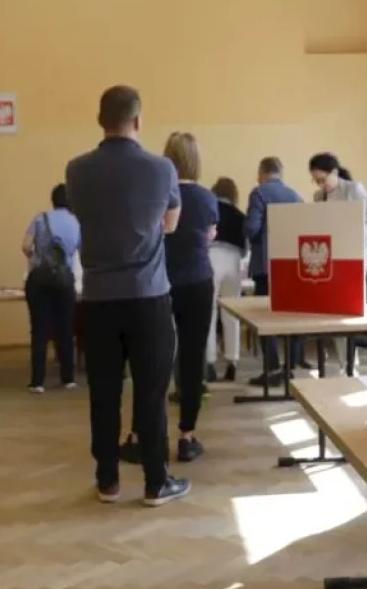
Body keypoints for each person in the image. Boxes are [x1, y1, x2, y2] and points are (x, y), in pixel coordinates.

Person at [65, 85, 189, 507]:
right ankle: (156, 482)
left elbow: (84, 216)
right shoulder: (162, 169)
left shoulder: (76, 170)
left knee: (103, 392)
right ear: (138, 120)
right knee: (151, 392)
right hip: (148, 295)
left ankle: (108, 481)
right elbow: (170, 225)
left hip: (98, 298)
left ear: (100, 120)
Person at [140, 132, 217, 462]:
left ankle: (145, 432)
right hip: (198, 280)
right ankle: (187, 435)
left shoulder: (157, 194)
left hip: (160, 282)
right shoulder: (207, 198)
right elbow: (209, 235)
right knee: (192, 357)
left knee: (154, 355)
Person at [244, 156, 305, 386]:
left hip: (265, 266)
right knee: (293, 316)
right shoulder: (295, 196)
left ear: (262, 173)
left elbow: (252, 228)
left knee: (265, 318)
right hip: (292, 266)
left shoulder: (259, 193)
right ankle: (290, 367)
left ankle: (272, 369)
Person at [21, 183, 81, 393]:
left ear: (53, 200)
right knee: (65, 329)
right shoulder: (76, 222)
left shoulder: (40, 218)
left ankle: (37, 382)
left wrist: (37, 258)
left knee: (39, 330)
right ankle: (68, 379)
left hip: (39, 280)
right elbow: (82, 251)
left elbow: (25, 246)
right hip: (64, 280)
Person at [309, 152, 367, 303]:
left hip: (357, 251)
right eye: (316, 181)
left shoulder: (354, 189)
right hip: (332, 252)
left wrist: (353, 234)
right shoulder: (318, 196)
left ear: (334, 172)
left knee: (354, 297)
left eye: (323, 180)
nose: (321, 185)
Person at [206, 177, 247, 383]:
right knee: (231, 314)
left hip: (211, 258)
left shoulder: (209, 210)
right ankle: (233, 361)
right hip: (234, 262)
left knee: (210, 313)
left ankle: (210, 363)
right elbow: (246, 247)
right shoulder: (240, 216)